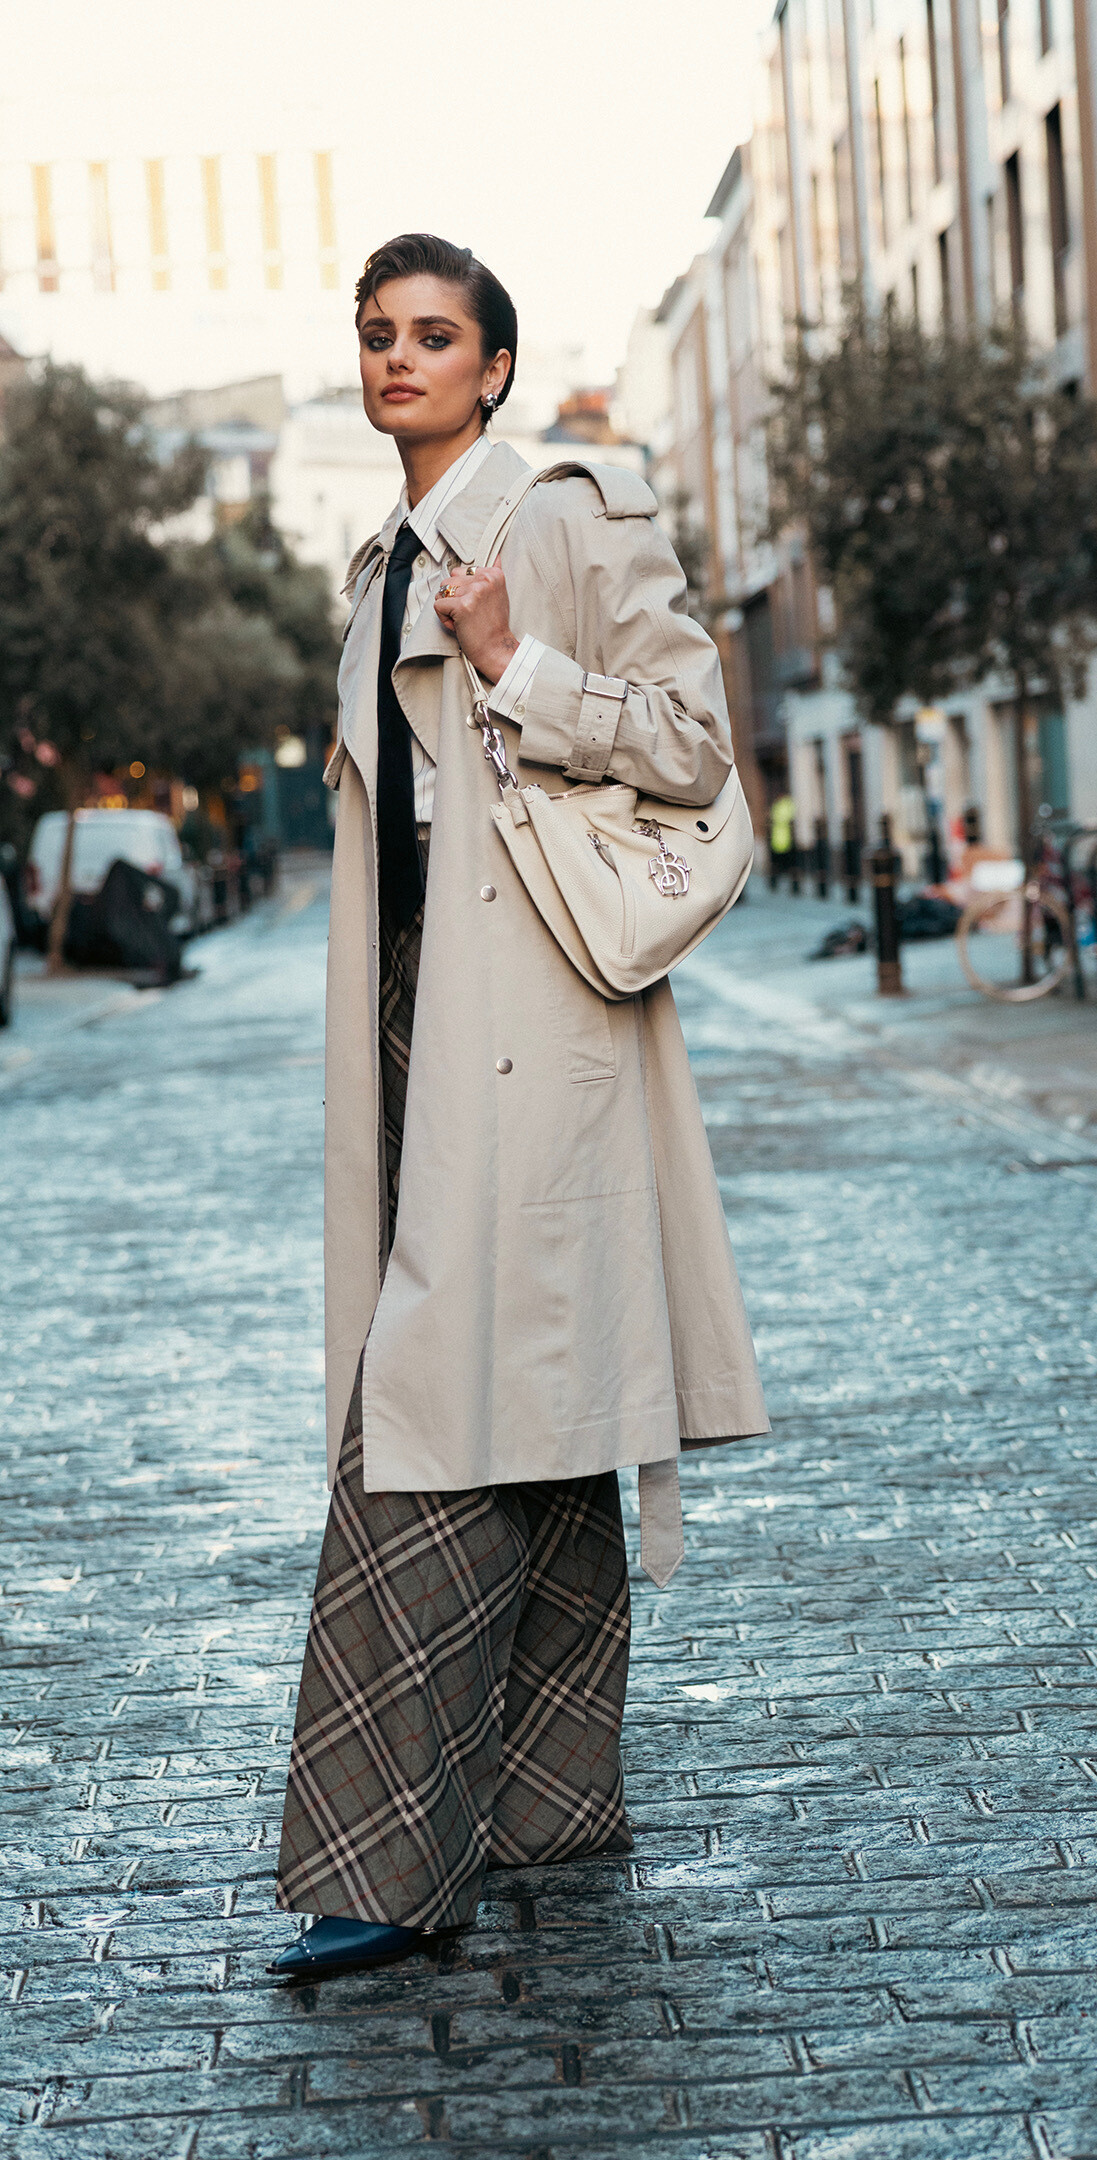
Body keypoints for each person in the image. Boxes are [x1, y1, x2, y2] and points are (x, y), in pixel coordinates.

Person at [269, 233, 768, 1982]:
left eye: (433, 335)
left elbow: (694, 747)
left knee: (422, 1410)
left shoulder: (563, 517)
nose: (396, 358)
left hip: (536, 1029)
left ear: (492, 368)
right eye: (375, 334)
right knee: (525, 1392)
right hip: (414, 1022)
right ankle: (550, 1797)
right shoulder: (379, 561)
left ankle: (381, 1862)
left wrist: (515, 668)